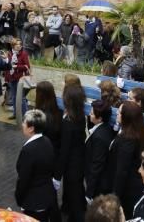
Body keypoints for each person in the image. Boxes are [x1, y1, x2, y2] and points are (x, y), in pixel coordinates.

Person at [15, 109, 59, 222]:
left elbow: (24, 179)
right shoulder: (47, 141)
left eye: (24, 122)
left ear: (31, 128)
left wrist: (19, 198)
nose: (22, 124)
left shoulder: (28, 150)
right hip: (47, 197)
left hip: (33, 202)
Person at [109, 101, 144, 219]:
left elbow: (122, 171)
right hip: (133, 185)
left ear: (127, 117)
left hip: (127, 190)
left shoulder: (127, 139)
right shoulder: (139, 131)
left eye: (120, 112)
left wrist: (115, 196)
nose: (117, 114)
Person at [55, 83, 86, 222]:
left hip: (71, 167)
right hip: (79, 161)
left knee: (76, 199)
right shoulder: (80, 116)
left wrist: (57, 176)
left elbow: (64, 151)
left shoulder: (68, 122)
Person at [85, 100, 116, 199]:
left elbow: (97, 165)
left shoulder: (100, 137)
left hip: (98, 186)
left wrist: (89, 192)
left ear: (100, 118)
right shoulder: (105, 128)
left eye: (92, 114)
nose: (89, 115)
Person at [6, 38, 31, 121]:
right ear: (13, 45)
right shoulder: (9, 53)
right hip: (12, 78)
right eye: (17, 44)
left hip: (20, 78)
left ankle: (26, 116)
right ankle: (15, 114)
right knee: (13, 97)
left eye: (20, 44)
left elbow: (27, 66)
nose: (19, 46)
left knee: (22, 97)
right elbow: (7, 65)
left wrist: (17, 67)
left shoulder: (24, 54)